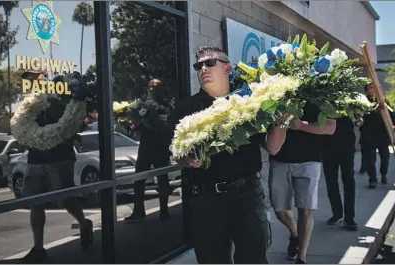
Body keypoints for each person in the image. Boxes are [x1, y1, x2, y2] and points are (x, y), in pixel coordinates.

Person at [174, 46, 296, 263]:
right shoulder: (187, 107)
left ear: (228, 68)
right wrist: (187, 158)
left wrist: (282, 122)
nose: (203, 69)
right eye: (198, 65)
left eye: (210, 63)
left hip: (247, 195)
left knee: (254, 259)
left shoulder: (249, 101)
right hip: (206, 199)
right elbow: (177, 154)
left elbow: (273, 147)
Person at [20, 75, 93, 263]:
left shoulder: (63, 100)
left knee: (65, 199)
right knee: (36, 202)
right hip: (35, 157)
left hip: (60, 158)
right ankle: (38, 247)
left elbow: (69, 125)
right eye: (29, 78)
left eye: (36, 77)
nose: (34, 81)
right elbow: (24, 126)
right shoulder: (30, 103)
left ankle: (84, 224)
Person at [268, 102, 336, 264]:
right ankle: (295, 234)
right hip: (280, 158)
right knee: (279, 209)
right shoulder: (276, 88)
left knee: (306, 209)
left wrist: (301, 126)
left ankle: (301, 257)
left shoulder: (322, 92)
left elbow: (330, 127)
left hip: (309, 159)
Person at [125, 79, 174, 222]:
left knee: (162, 180)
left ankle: (164, 211)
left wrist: (153, 120)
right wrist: (136, 123)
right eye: (150, 87)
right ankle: (138, 211)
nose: (152, 90)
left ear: (161, 89)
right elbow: (139, 124)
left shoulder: (166, 106)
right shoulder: (142, 104)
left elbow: (167, 127)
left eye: (155, 87)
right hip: (145, 147)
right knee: (138, 180)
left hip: (160, 147)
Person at [322, 116, 358, 231]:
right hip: (327, 145)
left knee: (348, 180)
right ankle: (337, 213)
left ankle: (349, 217)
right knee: (331, 182)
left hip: (346, 144)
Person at [359, 83, 393, 189]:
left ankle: (383, 173)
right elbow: (362, 115)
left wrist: (392, 128)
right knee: (370, 160)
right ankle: (372, 179)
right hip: (368, 135)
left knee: (385, 157)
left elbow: (390, 116)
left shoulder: (384, 101)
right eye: (368, 89)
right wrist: (375, 110)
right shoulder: (362, 102)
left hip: (382, 135)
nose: (370, 91)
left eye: (372, 88)